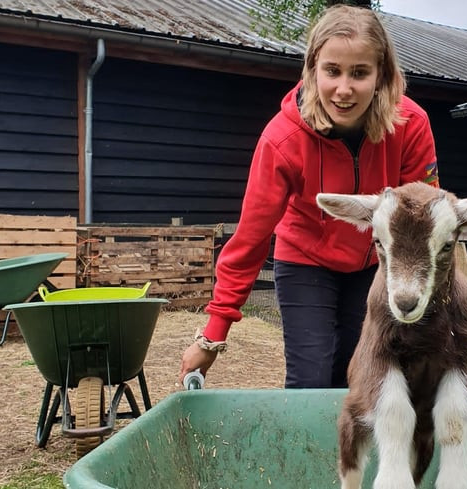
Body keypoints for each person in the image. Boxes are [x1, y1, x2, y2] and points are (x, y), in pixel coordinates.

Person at [178, 4, 440, 388]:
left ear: (382, 75)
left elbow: (421, 221)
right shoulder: (282, 139)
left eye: (360, 73)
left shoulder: (410, 125)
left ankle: (345, 449)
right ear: (313, 68)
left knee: (358, 375)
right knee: (311, 377)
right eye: (332, 71)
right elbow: (250, 239)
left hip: (373, 264)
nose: (344, 89)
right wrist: (213, 335)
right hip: (305, 260)